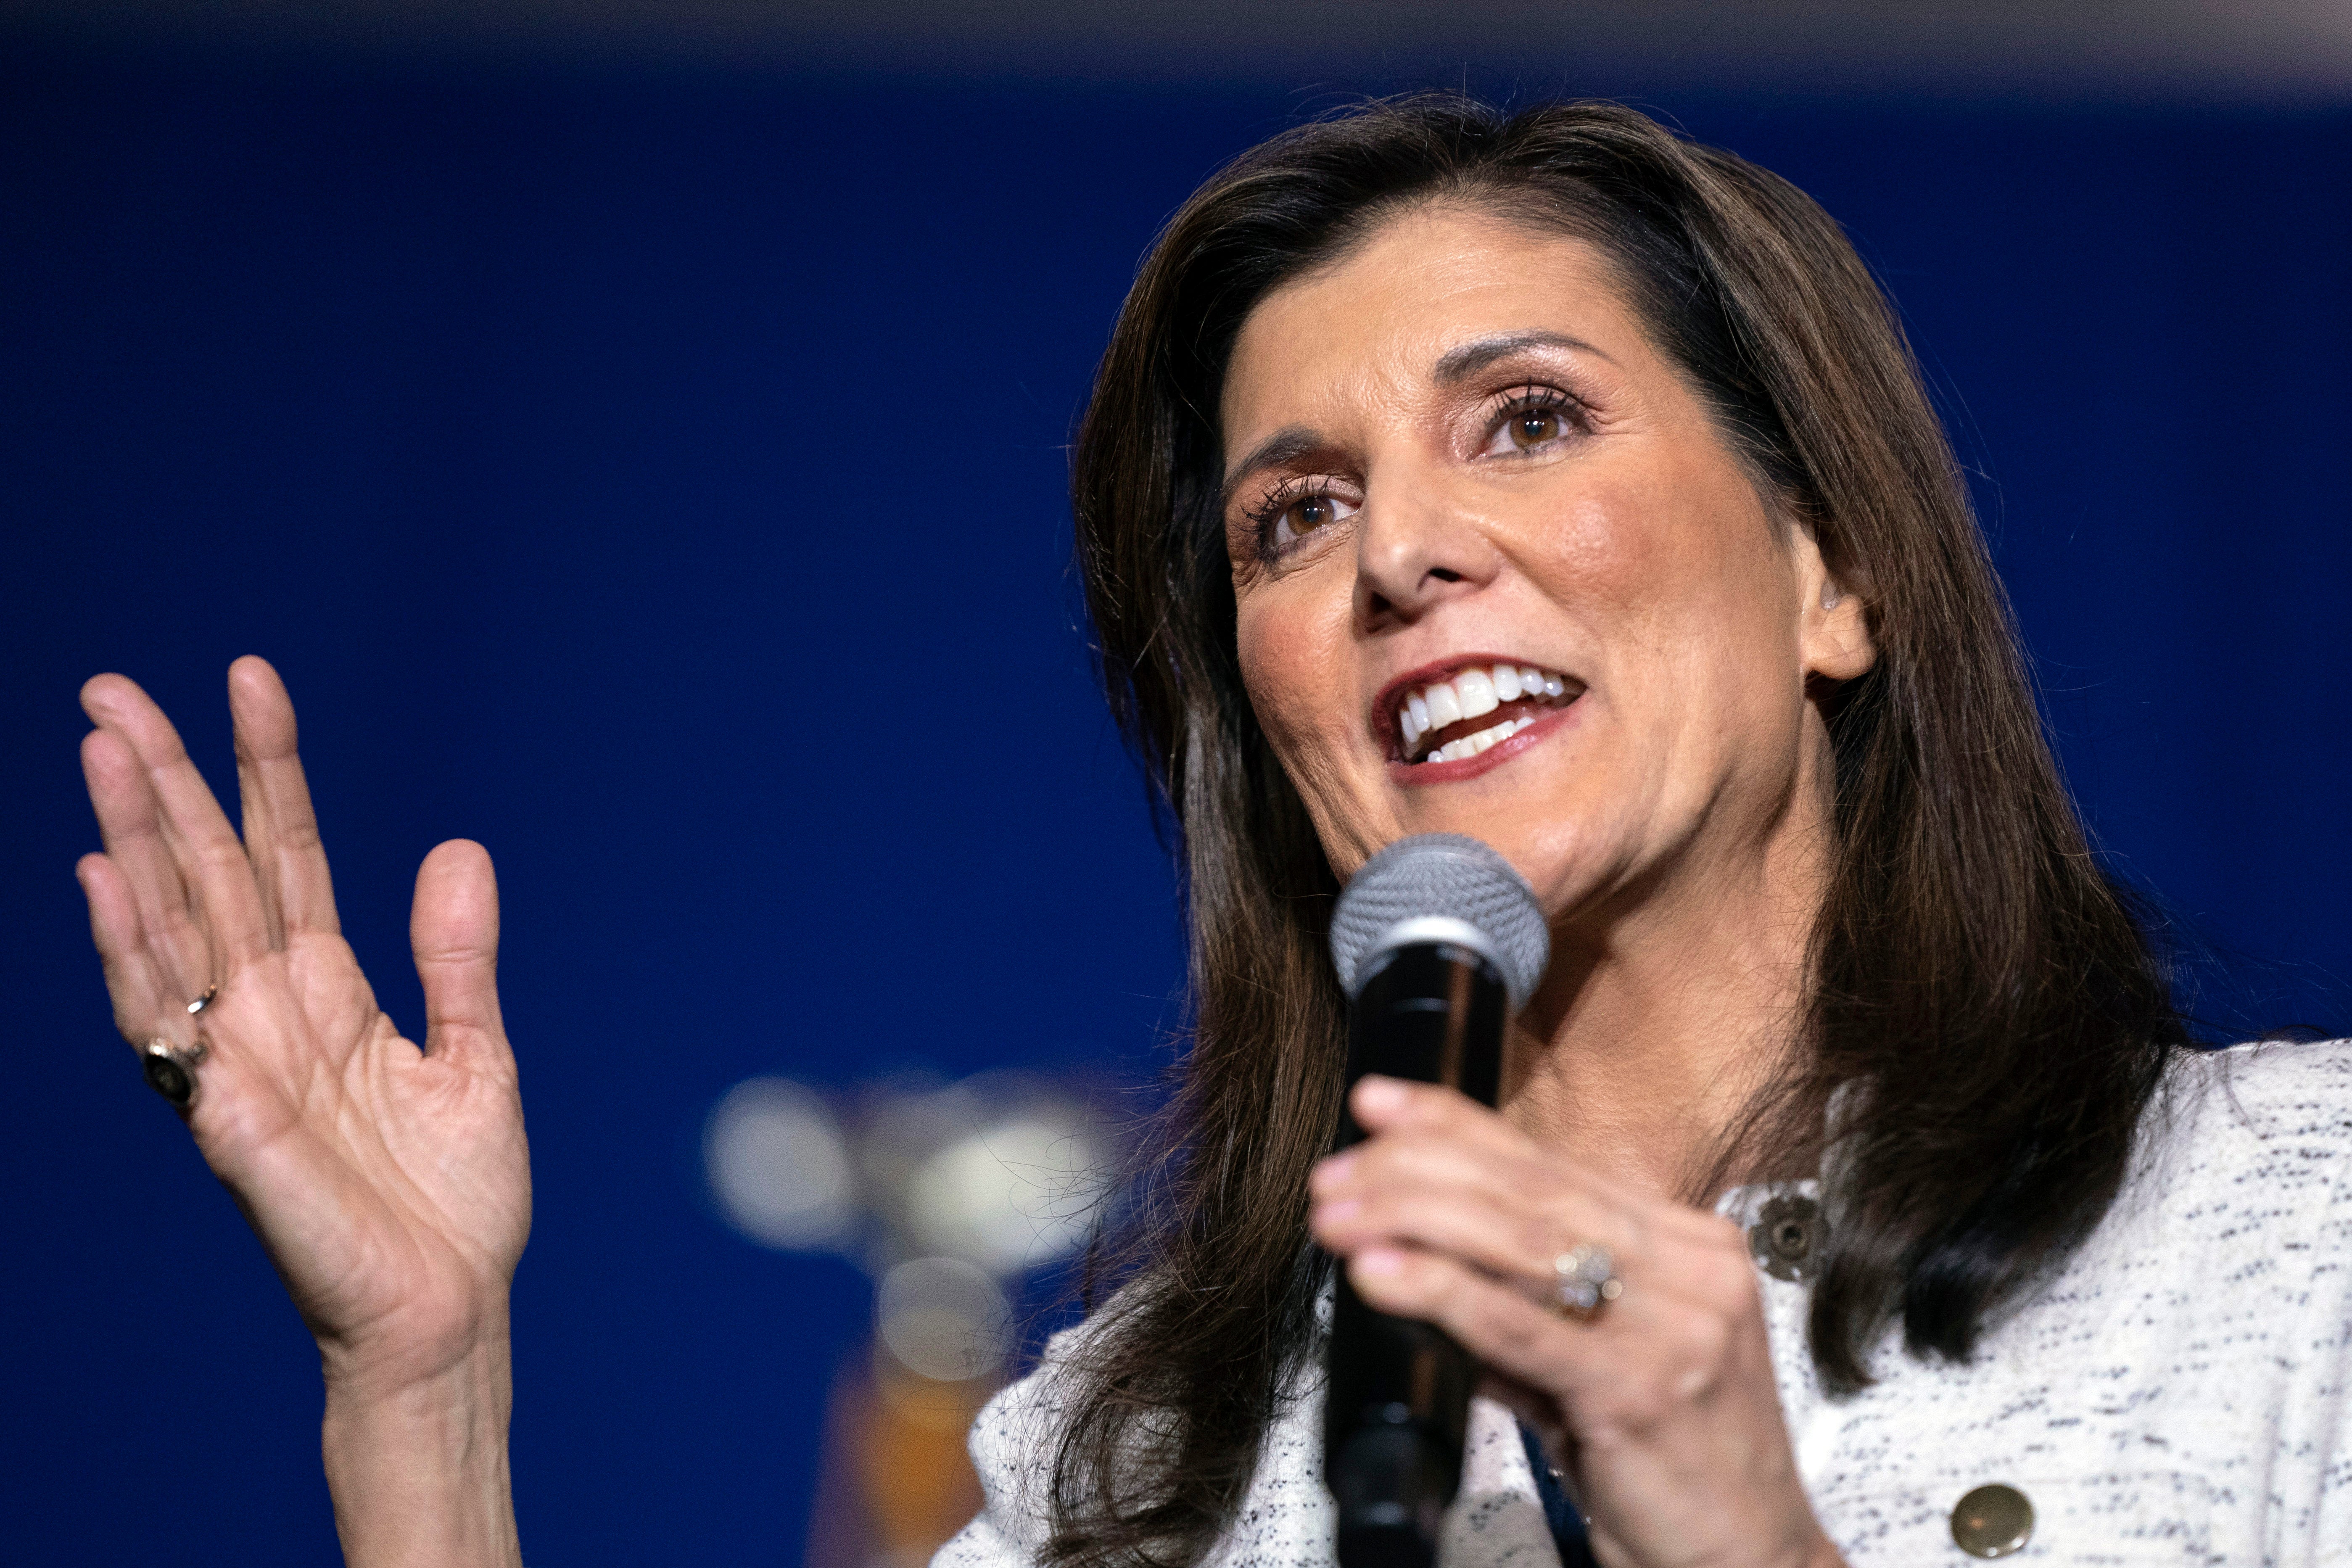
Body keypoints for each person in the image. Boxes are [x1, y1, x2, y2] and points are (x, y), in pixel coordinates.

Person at [71, 95, 2349, 1568]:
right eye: (1298, 515)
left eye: (1529, 421)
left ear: (1834, 561)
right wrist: (427, 1395)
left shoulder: (2292, 1233)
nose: (1405, 555)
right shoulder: (1131, 1470)